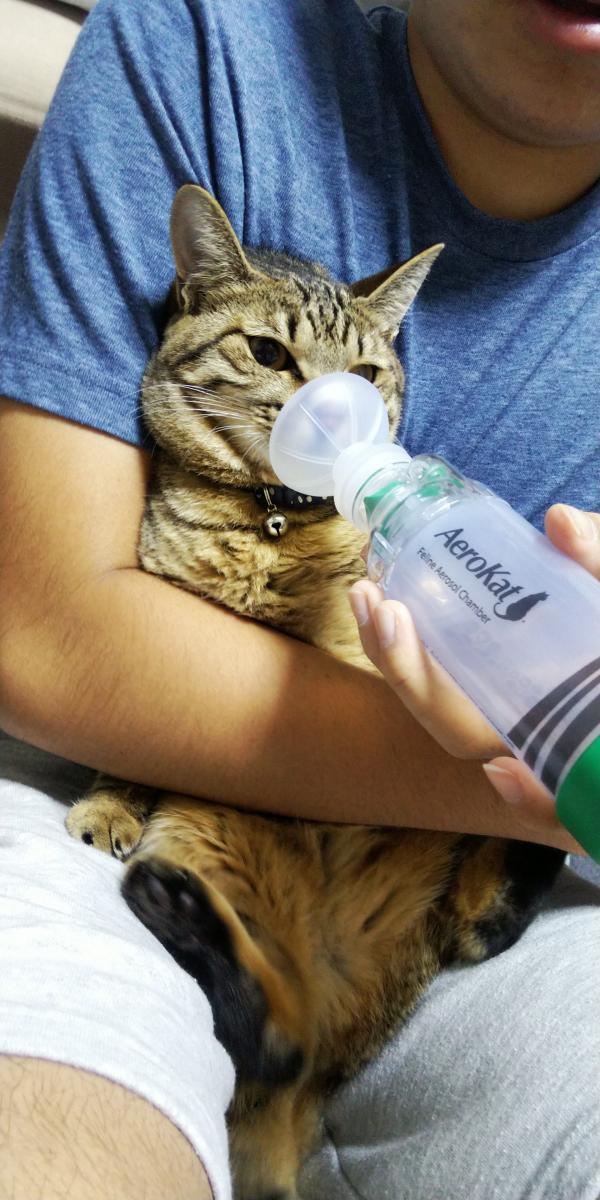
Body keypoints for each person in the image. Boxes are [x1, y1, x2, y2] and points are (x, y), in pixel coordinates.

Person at [0, 0, 599, 1196]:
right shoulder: (205, 38)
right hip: (108, 801)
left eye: (364, 374)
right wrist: (538, 780)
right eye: (278, 360)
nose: (323, 397)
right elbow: (48, 641)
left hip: (457, 902)